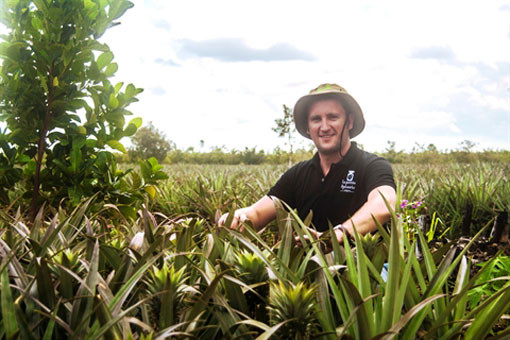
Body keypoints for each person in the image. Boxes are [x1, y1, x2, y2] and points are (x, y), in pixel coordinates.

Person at [218, 83, 396, 246]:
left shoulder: (372, 165)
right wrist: (238, 218)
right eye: (316, 119)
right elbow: (257, 213)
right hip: (314, 268)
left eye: (333, 117)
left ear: (349, 122)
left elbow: (384, 204)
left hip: (367, 268)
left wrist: (335, 236)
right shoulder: (298, 174)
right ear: (308, 127)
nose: (324, 127)